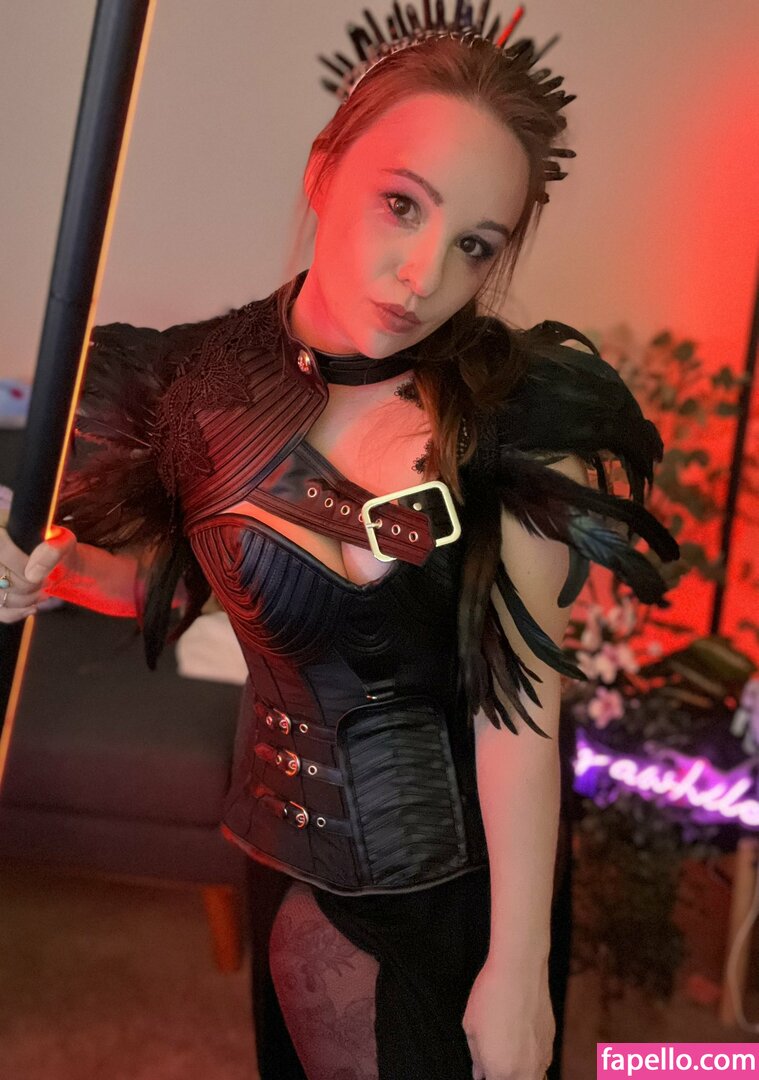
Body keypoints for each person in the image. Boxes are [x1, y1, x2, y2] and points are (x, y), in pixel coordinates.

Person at [0, 5, 680, 1079]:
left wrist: (516, 968)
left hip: (461, 881)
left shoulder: (510, 422)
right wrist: (60, 574)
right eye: (400, 204)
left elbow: (518, 715)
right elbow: (196, 587)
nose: (423, 274)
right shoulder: (200, 387)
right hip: (286, 848)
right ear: (324, 172)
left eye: (474, 244)